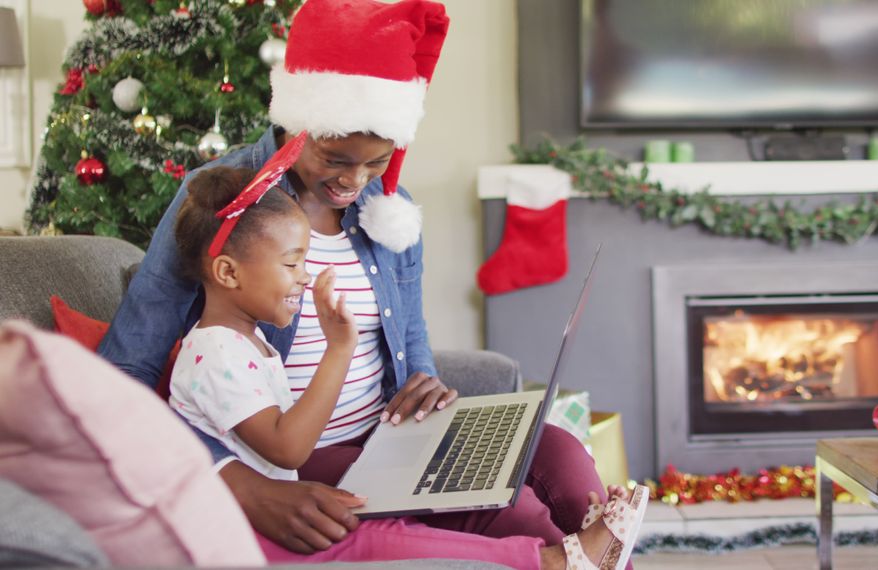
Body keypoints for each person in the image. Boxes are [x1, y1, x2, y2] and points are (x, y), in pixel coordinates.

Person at [98, 0, 641, 566]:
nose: (355, 183)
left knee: (566, 459)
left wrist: (425, 378)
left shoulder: (390, 210)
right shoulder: (223, 206)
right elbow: (124, 372)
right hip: (301, 455)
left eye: (377, 163)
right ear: (294, 123)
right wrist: (233, 478)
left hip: (394, 438)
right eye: (335, 158)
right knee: (524, 517)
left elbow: (411, 329)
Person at [168, 163, 360, 482]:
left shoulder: (244, 338)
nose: (305, 277)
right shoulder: (217, 354)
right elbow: (288, 449)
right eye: (291, 264)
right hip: (250, 526)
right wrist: (339, 349)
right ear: (228, 273)